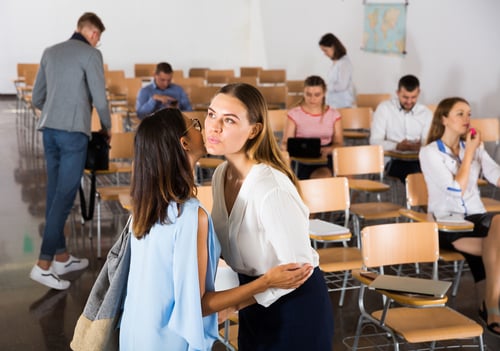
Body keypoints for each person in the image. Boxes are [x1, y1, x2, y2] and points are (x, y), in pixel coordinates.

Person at [119, 108, 312, 350]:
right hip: (167, 340)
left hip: (136, 332)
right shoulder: (189, 215)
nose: (207, 129)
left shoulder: (145, 205)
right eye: (196, 125)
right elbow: (199, 305)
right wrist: (266, 282)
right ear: (185, 142)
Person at [205, 83, 334, 350]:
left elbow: (298, 271)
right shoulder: (220, 176)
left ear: (254, 130)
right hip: (254, 299)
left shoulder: (270, 187)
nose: (214, 127)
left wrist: (235, 302)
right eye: (211, 115)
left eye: (228, 120)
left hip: (295, 306)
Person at [29, 12, 111, 290]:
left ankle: (62, 258)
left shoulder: (50, 52)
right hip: (73, 134)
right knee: (64, 198)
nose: (97, 42)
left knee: (55, 194)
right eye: (98, 37)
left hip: (49, 130)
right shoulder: (91, 55)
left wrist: (55, 109)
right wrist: (108, 126)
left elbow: (36, 97)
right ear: (93, 34)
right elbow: (100, 97)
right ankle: (43, 264)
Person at [419, 97, 500, 336]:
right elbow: (457, 189)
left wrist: (475, 150)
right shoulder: (430, 153)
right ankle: (492, 306)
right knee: (496, 244)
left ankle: (492, 305)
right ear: (444, 119)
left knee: (496, 226)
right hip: (447, 223)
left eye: (469, 114)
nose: (467, 119)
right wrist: (470, 153)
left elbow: (494, 172)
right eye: (460, 114)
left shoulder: (473, 147)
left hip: (477, 218)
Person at [370, 74, 433, 182]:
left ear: (419, 93)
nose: (409, 101)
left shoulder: (426, 113)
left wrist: (420, 146)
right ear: (397, 93)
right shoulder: (384, 108)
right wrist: (397, 146)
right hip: (393, 159)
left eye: (413, 97)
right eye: (405, 97)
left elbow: (429, 143)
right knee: (412, 174)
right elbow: (374, 141)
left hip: (418, 160)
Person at [281, 75, 343, 179]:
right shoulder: (294, 114)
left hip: (325, 158)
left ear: (324, 94)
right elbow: (285, 143)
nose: (312, 99)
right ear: (303, 93)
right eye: (308, 94)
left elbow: (339, 144)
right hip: (300, 158)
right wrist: (291, 151)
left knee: (322, 177)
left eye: (317, 95)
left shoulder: (334, 115)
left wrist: (327, 150)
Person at [318, 33, 355, 108]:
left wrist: (325, 87)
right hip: (334, 104)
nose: (325, 54)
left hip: (343, 105)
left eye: (325, 50)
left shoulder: (344, 63)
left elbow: (342, 85)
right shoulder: (337, 62)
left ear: (333, 47)